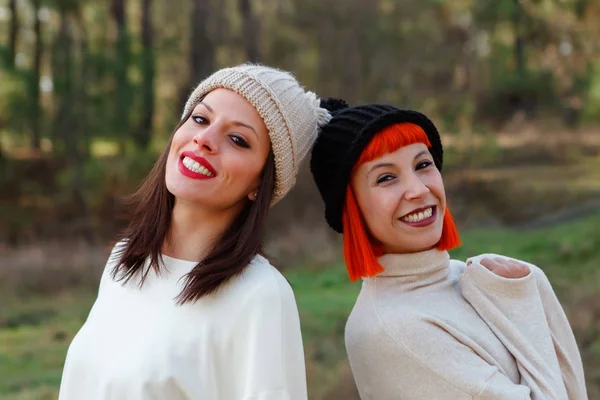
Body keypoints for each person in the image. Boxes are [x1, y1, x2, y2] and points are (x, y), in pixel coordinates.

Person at [58, 64, 332, 400]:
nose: (204, 139)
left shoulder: (259, 296)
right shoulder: (124, 261)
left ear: (261, 183)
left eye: (238, 139)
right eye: (200, 119)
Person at [310, 99, 587, 399]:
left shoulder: (478, 280)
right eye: (386, 177)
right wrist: (522, 303)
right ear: (352, 209)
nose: (418, 190)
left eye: (423, 165)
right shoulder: (392, 329)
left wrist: (533, 284)